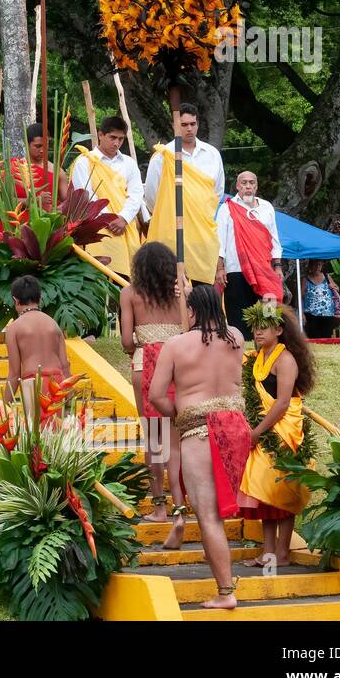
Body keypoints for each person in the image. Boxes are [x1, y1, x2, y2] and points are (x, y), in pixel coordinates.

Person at [149, 285, 250, 611]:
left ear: (191, 311)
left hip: (201, 432)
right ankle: (216, 561)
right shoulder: (236, 337)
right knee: (217, 512)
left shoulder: (177, 345)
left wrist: (178, 414)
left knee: (208, 516)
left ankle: (225, 591)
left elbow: (155, 395)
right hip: (236, 431)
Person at [237, 302, 315, 570]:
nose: (258, 333)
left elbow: (282, 404)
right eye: (255, 328)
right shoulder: (256, 358)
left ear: (279, 330)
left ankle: (282, 552)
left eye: (264, 328)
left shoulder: (285, 360)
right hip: (262, 429)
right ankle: (268, 553)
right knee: (263, 491)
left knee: (282, 491)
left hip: (282, 431)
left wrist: (257, 432)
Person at [119, 241, 185, 532]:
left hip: (143, 361)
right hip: (177, 363)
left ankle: (160, 506)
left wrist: (140, 345)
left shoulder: (129, 293)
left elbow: (124, 341)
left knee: (154, 439)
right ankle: (182, 506)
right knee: (176, 440)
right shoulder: (181, 293)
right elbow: (188, 329)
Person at [142, 103, 224, 285]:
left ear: (198, 124)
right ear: (175, 126)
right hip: (171, 233)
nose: (189, 129)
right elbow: (151, 196)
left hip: (202, 235)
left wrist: (197, 214)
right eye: (184, 124)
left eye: (192, 124)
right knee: (169, 291)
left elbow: (216, 193)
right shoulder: (163, 156)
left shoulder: (212, 155)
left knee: (202, 292)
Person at [69, 115, 144, 279]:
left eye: (121, 139)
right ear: (100, 135)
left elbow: (136, 194)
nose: (116, 143)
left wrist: (123, 218)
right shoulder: (84, 162)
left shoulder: (129, 163)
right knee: (101, 278)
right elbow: (86, 196)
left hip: (126, 227)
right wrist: (108, 219)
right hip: (96, 230)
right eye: (112, 137)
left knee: (127, 279)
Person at [214, 170, 283, 338]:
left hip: (264, 270)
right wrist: (219, 268)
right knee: (239, 316)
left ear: (256, 186)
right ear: (237, 186)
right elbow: (219, 241)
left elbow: (274, 239)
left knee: (268, 309)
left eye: (252, 183)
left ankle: (268, 347)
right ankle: (242, 352)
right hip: (236, 270)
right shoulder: (227, 208)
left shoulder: (266, 207)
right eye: (244, 183)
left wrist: (278, 265)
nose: (248, 186)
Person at [3, 275, 70, 415]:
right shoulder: (54, 324)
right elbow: (65, 366)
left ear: (15, 301)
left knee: (37, 434)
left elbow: (14, 374)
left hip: (33, 384)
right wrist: (69, 399)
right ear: (40, 298)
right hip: (57, 383)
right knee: (57, 434)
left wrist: (4, 407)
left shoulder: (14, 328)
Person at [299, 259, 340, 339]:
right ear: (310, 266)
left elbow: (337, 289)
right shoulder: (305, 279)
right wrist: (302, 313)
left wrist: (333, 287)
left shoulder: (326, 276)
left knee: (327, 336)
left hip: (327, 313)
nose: (317, 267)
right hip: (311, 314)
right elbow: (300, 296)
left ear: (322, 265)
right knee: (313, 336)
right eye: (315, 265)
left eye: (319, 265)